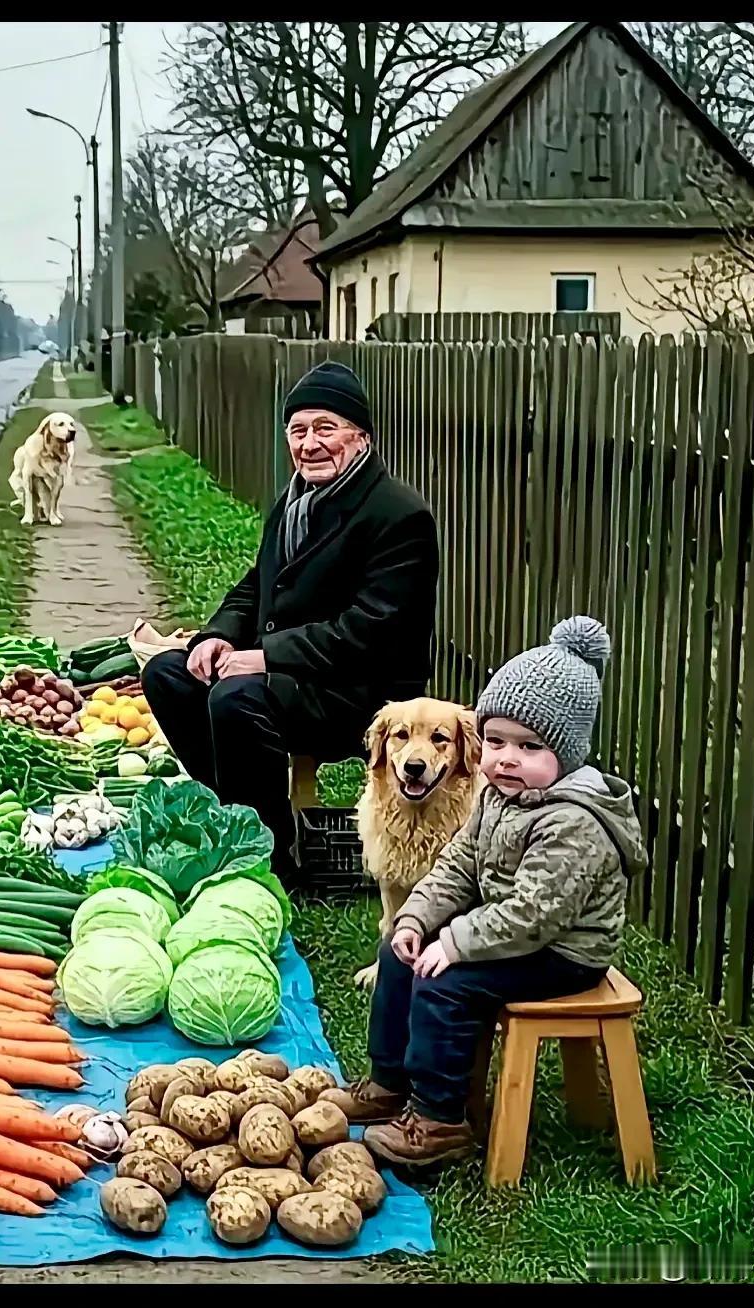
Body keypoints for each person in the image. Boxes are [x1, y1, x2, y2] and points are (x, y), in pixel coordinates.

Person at [350, 616, 648, 1168]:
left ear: (568, 753)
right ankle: (388, 1082)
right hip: (513, 929)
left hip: (563, 952)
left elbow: (533, 915)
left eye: (530, 746)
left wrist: (455, 943)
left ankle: (440, 1120)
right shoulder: (499, 797)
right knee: (399, 950)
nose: (507, 758)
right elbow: (458, 865)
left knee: (446, 981)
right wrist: (414, 920)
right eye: (495, 741)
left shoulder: (573, 823)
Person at [142, 360, 438, 881]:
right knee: (169, 673)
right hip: (298, 675)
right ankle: (233, 819)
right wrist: (215, 638)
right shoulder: (294, 502)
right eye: (298, 431)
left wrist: (265, 657)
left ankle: (270, 861)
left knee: (236, 699)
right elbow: (257, 584)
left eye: (326, 428)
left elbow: (371, 628)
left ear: (361, 437)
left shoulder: (399, 515)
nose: (310, 444)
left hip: (361, 691)